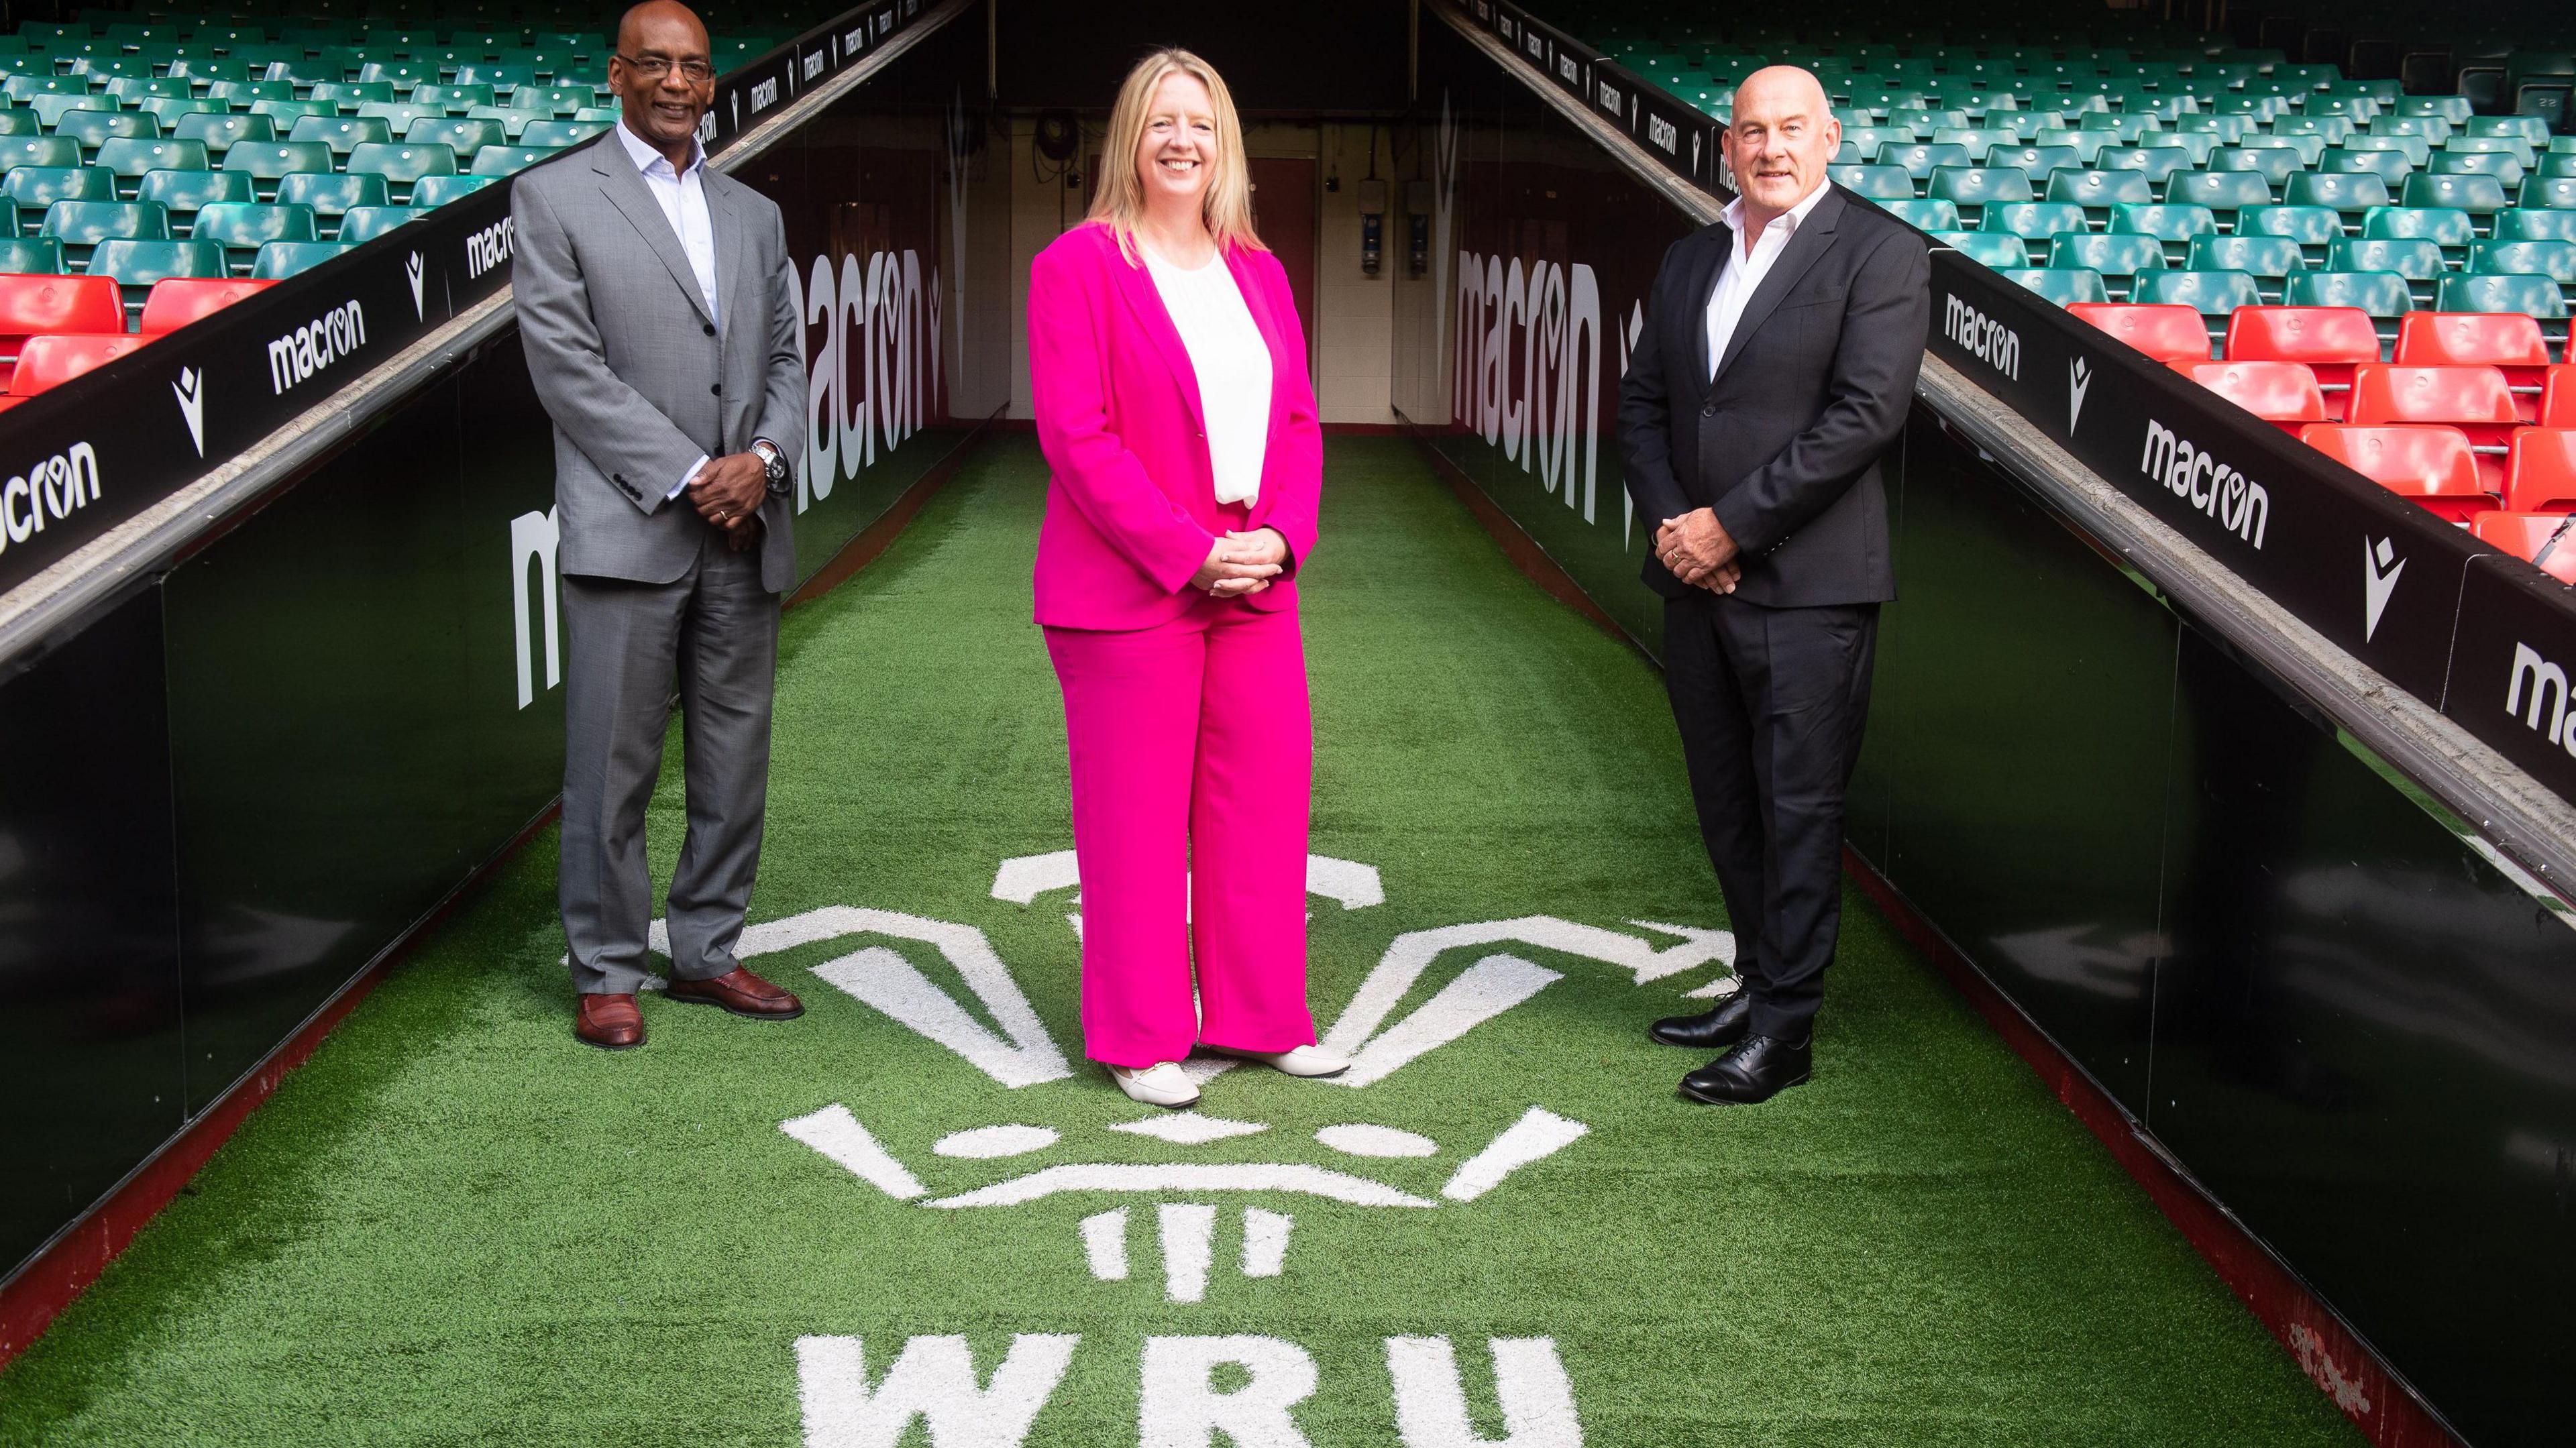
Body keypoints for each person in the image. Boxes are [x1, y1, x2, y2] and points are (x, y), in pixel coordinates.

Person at [1024, 48, 1345, 1108]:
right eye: (1161, 122)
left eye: (1201, 124)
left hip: (1254, 574)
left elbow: (1298, 424)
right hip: (1131, 585)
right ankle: (1141, 1039)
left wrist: (1281, 540)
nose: (1182, 141)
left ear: (1226, 146)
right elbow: (1079, 439)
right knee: (1137, 823)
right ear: (1129, 138)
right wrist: (1186, 550)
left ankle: (1261, 1021)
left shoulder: (1258, 269)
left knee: (1262, 807)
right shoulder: (1076, 266)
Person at [1615, 65, 1930, 1105]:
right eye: (1752, 131)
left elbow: (1863, 419)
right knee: (1727, 806)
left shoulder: (1880, 254)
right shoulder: (1691, 256)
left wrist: (1729, 526)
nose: (1772, 148)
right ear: (1726, 147)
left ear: (1832, 137)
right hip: (1697, 585)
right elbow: (1644, 406)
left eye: (1793, 128)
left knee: (1799, 809)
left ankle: (1786, 1032)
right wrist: (1678, 532)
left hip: (1808, 591)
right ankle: (1757, 983)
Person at [513, 1, 808, 1049]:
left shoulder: (753, 214)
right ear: (616, 75)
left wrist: (763, 464)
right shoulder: (552, 198)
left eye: (693, 67)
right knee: (612, 767)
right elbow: (567, 371)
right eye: (655, 65)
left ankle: (707, 953)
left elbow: (785, 358)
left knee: (734, 759)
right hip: (632, 527)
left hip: (744, 529)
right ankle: (604, 969)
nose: (676, 83)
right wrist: (694, 473)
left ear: (713, 82)